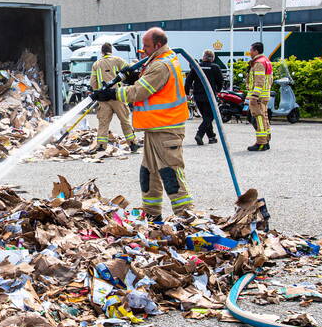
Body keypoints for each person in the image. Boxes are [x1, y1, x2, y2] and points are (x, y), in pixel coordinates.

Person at [91, 27, 193, 220]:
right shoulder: (156, 61)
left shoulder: (162, 65)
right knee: (149, 173)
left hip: (167, 129)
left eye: (146, 46)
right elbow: (146, 84)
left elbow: (140, 92)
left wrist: (112, 93)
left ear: (158, 44)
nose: (143, 50)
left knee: (171, 174)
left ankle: (187, 216)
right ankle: (152, 214)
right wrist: (133, 77)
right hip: (155, 128)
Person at [89, 42, 138, 152]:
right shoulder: (118, 60)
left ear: (102, 52)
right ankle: (132, 144)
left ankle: (101, 146)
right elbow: (130, 70)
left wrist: (98, 92)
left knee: (103, 123)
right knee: (125, 121)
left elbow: (93, 83)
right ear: (111, 50)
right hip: (117, 96)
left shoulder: (96, 64)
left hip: (104, 99)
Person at [186, 49, 224, 145]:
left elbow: (188, 81)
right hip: (210, 96)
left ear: (203, 57)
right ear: (212, 58)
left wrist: (187, 93)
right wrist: (217, 91)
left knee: (206, 117)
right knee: (210, 117)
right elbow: (221, 82)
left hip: (198, 97)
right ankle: (199, 134)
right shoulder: (215, 67)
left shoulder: (197, 67)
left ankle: (211, 137)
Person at [246, 42, 273, 151]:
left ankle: (261, 143)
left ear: (256, 51)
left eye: (251, 50)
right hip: (264, 95)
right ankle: (266, 141)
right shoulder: (266, 61)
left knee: (259, 119)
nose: (250, 52)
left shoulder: (258, 63)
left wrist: (254, 96)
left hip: (258, 97)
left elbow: (259, 81)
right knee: (264, 118)